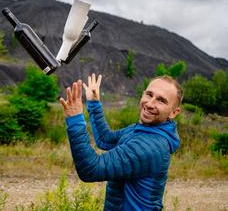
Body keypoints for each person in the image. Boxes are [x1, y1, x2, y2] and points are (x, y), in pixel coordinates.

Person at [59, 73, 183, 211]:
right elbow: (104, 139)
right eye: (149, 94)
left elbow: (91, 169)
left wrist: (75, 121)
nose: (150, 103)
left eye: (161, 100)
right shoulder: (140, 130)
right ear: (143, 94)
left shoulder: (150, 146)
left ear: (173, 112)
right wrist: (94, 103)